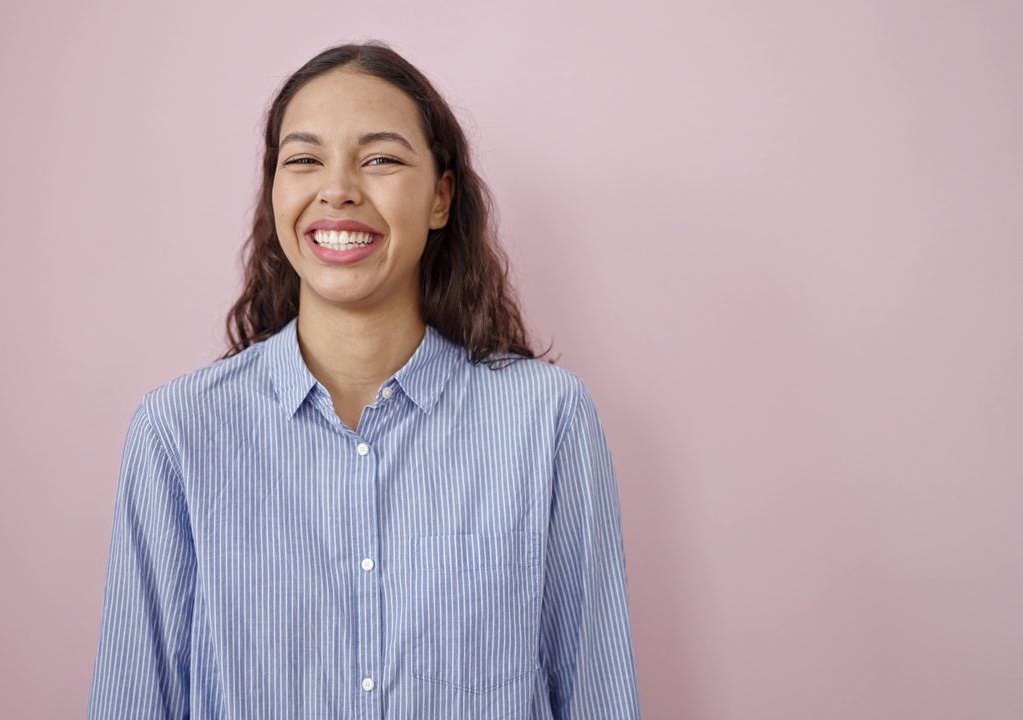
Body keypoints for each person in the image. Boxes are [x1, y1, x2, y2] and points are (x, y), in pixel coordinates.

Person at [88, 41, 641, 719]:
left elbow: (596, 695)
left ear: (441, 196)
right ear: (274, 192)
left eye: (379, 158)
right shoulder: (178, 432)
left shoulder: (548, 420)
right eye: (304, 159)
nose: (339, 188)